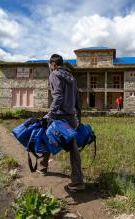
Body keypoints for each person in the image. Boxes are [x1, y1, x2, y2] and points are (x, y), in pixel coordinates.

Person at [40, 54, 85, 191]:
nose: (50, 67)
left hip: (58, 117)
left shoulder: (54, 74)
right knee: (73, 148)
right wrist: (78, 117)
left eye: (50, 65)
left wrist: (50, 114)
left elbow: (58, 96)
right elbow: (77, 99)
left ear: (53, 64)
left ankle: (42, 168)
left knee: (45, 136)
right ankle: (77, 181)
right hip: (70, 117)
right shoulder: (71, 77)